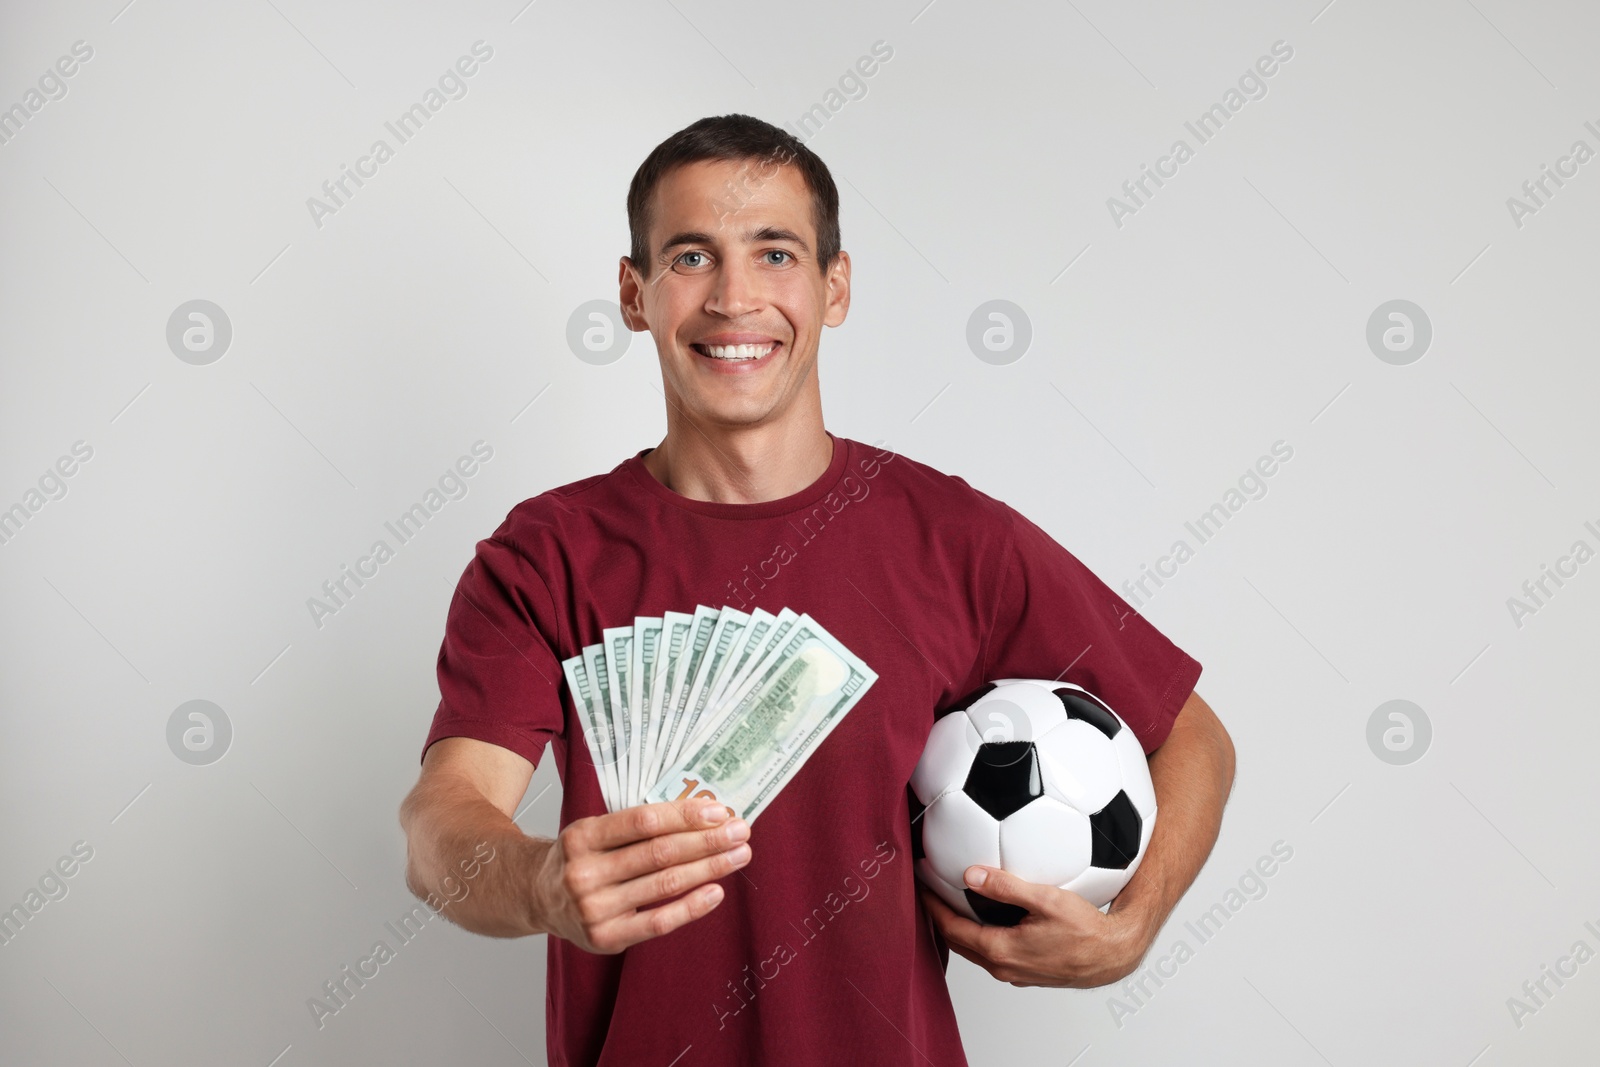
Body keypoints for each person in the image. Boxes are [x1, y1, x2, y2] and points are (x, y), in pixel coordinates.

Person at [399, 113, 1235, 1067]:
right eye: (689, 257)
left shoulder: (956, 540)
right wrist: (540, 882)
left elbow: (1191, 734)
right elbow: (441, 823)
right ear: (633, 294)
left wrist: (1136, 922)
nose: (733, 297)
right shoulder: (546, 555)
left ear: (835, 287)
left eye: (775, 253)